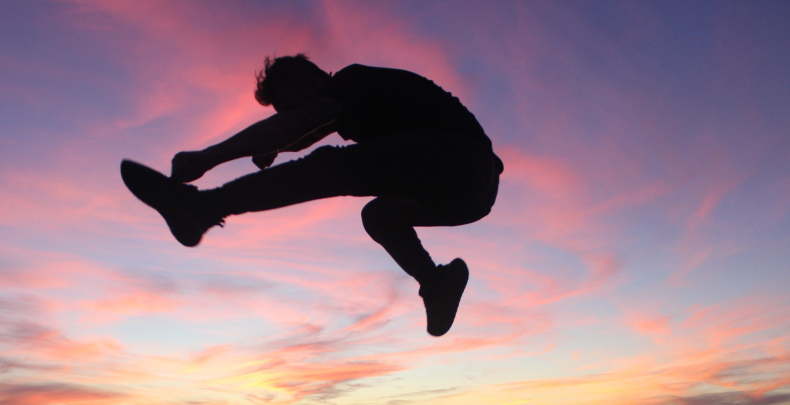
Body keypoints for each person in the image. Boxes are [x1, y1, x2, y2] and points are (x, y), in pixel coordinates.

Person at [121, 54, 503, 336]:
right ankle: (437, 282)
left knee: (335, 166)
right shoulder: (359, 103)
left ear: (311, 82)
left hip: (461, 158)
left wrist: (208, 157)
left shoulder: (352, 81)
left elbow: (299, 127)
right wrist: (274, 145)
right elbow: (301, 130)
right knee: (380, 214)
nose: (290, 114)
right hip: (471, 195)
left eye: (290, 104)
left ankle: (205, 206)